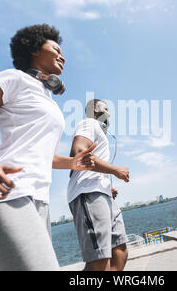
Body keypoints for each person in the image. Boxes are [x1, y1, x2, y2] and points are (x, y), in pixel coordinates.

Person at [0, 24, 97, 271]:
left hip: (39, 202)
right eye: (56, 48)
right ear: (35, 49)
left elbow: (39, 153)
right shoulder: (13, 79)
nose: (63, 56)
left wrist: (71, 163)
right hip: (6, 196)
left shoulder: (48, 99)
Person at [68, 99, 130, 271]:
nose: (109, 113)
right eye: (106, 109)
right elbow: (80, 153)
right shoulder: (88, 123)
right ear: (95, 110)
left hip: (103, 195)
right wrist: (115, 170)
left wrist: (107, 187)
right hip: (88, 192)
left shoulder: (100, 133)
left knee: (120, 253)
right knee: (99, 261)